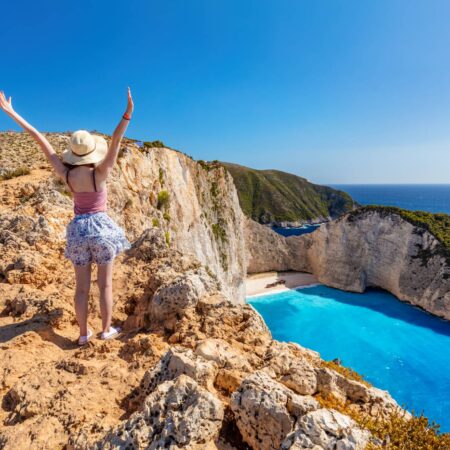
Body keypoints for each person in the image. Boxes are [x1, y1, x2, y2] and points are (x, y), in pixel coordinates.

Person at [0, 88, 134, 345]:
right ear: (93, 151)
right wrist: (127, 114)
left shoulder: (66, 174)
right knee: (105, 286)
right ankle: (106, 330)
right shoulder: (101, 171)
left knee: (81, 288)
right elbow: (116, 140)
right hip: (102, 230)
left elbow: (38, 138)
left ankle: (83, 334)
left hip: (78, 232)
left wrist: (11, 113)